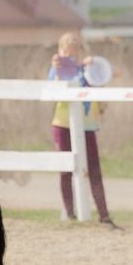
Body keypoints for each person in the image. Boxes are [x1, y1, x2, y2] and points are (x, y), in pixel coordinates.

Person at [48, 32, 120, 229]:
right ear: (60, 51)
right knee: (66, 170)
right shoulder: (56, 70)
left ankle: (104, 214)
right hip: (63, 124)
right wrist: (56, 70)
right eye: (66, 53)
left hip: (87, 126)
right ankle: (70, 213)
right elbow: (51, 90)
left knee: (94, 169)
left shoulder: (87, 71)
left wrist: (92, 68)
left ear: (78, 52)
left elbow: (100, 83)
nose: (70, 57)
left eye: (73, 54)